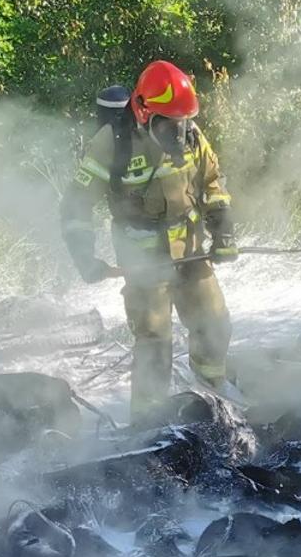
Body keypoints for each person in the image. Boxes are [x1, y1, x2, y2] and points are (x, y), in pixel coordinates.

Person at [60, 61, 239, 422]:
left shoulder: (190, 132)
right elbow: (76, 205)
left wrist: (223, 232)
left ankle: (213, 396)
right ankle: (148, 421)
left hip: (189, 253)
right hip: (143, 261)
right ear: (144, 111)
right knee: (155, 339)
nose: (180, 130)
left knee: (214, 321)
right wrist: (85, 258)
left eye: (184, 121)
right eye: (170, 123)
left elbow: (212, 183)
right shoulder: (112, 144)